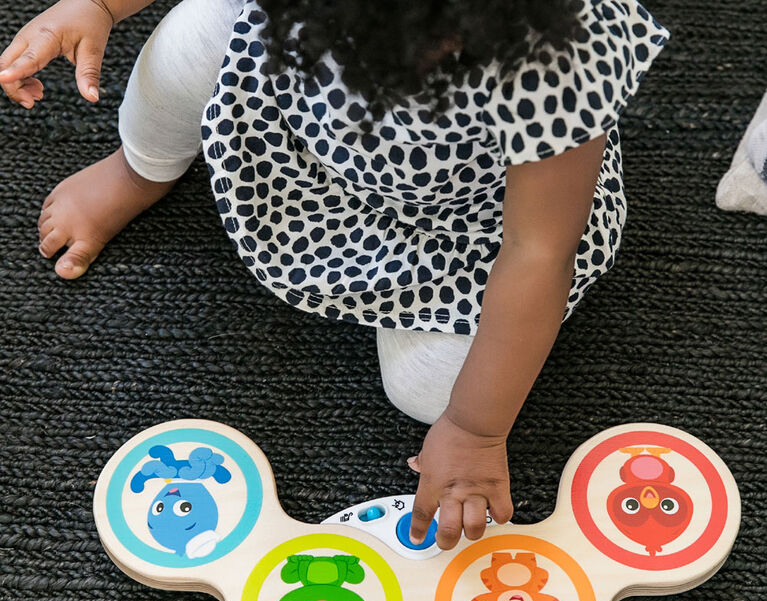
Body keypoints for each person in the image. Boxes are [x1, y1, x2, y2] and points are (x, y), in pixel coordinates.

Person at [0, 0, 669, 550]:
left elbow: (536, 250)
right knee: (192, 37)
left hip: (466, 228)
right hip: (305, 132)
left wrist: (473, 429)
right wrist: (98, 7)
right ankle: (140, 168)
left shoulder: (554, 53)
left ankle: (437, 365)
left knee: (431, 390)